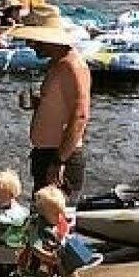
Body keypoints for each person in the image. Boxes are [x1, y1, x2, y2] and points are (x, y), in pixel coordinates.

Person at [23, 19, 93, 197]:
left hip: (60, 157)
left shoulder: (72, 66)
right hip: (47, 154)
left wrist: (59, 160)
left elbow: (81, 116)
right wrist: (41, 103)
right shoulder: (57, 63)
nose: (30, 45)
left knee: (57, 220)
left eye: (35, 41)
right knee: (41, 219)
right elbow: (63, 106)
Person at [38, 183, 99, 277]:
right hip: (57, 252)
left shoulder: (57, 221)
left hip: (63, 253)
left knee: (66, 274)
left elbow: (61, 235)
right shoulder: (45, 221)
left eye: (60, 212)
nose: (59, 215)